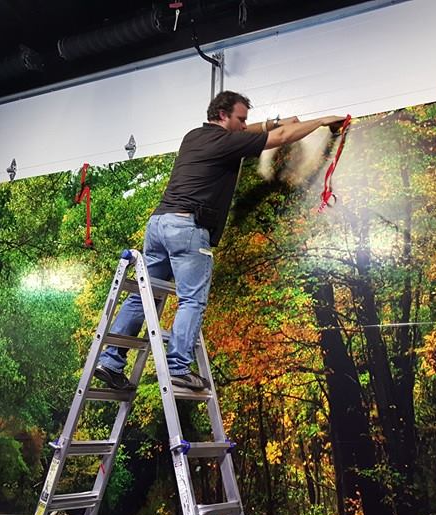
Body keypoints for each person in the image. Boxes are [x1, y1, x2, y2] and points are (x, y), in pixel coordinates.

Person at [94, 91, 346, 391]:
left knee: (143, 296)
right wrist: (322, 122)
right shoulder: (228, 143)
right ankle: (177, 368)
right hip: (188, 227)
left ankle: (110, 361)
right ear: (223, 115)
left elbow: (252, 132)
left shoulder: (194, 136)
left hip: (159, 224)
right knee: (192, 300)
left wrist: (270, 123)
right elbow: (282, 137)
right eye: (240, 119)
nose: (244, 125)